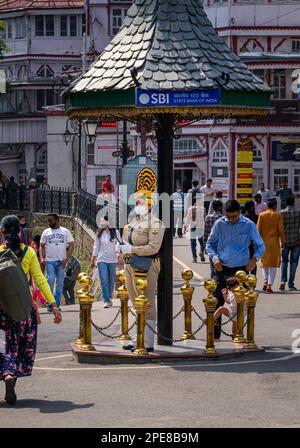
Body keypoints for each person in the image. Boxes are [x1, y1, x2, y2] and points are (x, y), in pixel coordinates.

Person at [0, 215, 62, 405]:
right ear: (20, 231)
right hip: (24, 309)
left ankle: (7, 373)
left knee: (4, 347)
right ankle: (12, 379)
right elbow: (40, 280)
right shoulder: (29, 253)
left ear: (2, 232)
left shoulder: (0, 251)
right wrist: (53, 305)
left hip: (2, 309)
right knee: (18, 348)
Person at [206, 199, 265, 339]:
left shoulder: (248, 225)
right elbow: (210, 244)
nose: (231, 219)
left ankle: (237, 334)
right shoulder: (219, 223)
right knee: (217, 300)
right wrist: (214, 258)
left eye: (234, 216)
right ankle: (214, 336)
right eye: (228, 216)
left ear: (240, 212)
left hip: (240, 270)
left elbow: (260, 245)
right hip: (221, 267)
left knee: (239, 302)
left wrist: (254, 259)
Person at [117, 189, 165, 352]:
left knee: (148, 303)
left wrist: (132, 248)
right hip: (130, 265)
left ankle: (148, 341)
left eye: (141, 202)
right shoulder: (132, 222)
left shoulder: (156, 223)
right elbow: (126, 240)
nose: (137, 205)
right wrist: (121, 248)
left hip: (146, 265)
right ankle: (138, 336)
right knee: (135, 302)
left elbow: (153, 247)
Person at [40, 214, 74, 310]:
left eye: (51, 221)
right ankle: (50, 303)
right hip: (50, 261)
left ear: (57, 220)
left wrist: (66, 259)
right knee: (50, 280)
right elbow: (41, 246)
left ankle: (57, 304)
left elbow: (71, 245)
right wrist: (42, 258)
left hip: (61, 262)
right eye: (48, 221)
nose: (49, 223)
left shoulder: (65, 231)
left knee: (60, 283)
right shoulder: (46, 232)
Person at [257, 198, 285, 293]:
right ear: (274, 205)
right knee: (272, 265)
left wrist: (257, 243)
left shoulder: (262, 215)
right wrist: (283, 242)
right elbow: (281, 230)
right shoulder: (278, 215)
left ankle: (265, 281)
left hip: (263, 243)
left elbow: (258, 230)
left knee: (264, 263)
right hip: (274, 243)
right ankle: (269, 285)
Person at [91, 218, 120, 308]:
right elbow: (96, 247)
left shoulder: (116, 232)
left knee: (111, 280)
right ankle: (106, 299)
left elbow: (119, 243)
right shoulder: (99, 233)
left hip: (112, 259)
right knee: (103, 279)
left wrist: (117, 250)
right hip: (102, 258)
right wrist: (93, 260)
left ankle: (110, 298)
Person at [279, 195, 300, 291]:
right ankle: (291, 284)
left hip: (285, 242)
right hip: (296, 241)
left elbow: (279, 228)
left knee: (284, 261)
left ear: (286, 203)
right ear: (294, 202)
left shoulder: (281, 213)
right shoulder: (298, 212)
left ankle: (283, 281)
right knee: (294, 263)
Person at [204, 200, 223, 276]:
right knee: (221, 266)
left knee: (212, 266)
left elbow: (205, 233)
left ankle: (213, 283)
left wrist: (205, 246)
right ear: (220, 207)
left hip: (211, 245)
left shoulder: (208, 217)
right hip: (221, 245)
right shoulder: (223, 218)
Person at [184, 194, 205, 263]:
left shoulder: (190, 209)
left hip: (193, 227)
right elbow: (204, 218)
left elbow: (188, 219)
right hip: (200, 227)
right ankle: (201, 251)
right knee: (202, 242)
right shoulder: (203, 209)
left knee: (193, 244)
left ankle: (194, 257)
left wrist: (185, 227)